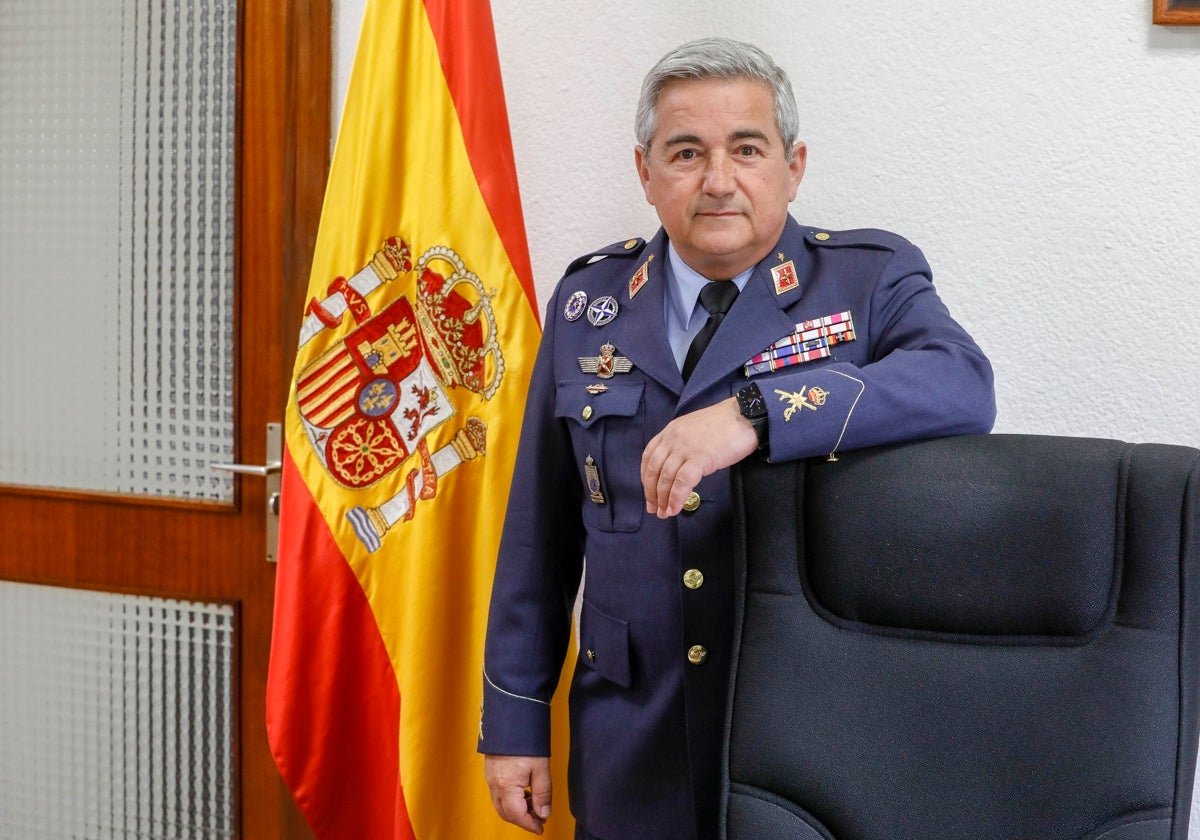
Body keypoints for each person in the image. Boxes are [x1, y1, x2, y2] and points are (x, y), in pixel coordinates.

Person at [479, 37, 996, 840]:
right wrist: (514, 724)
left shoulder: (865, 281)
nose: (718, 180)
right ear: (646, 172)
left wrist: (757, 414)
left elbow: (961, 382)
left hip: (810, 722)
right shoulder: (590, 302)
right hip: (630, 726)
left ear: (793, 166)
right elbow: (540, 535)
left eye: (746, 149)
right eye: (686, 152)